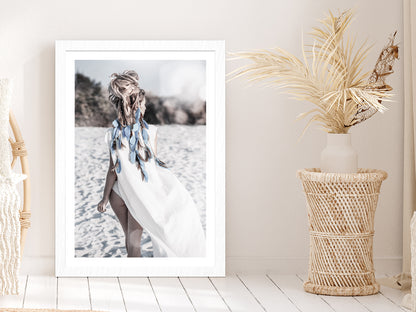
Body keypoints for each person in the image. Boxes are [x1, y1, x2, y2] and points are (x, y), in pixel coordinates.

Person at [97, 70, 205, 257]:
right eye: (144, 103)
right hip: (138, 193)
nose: (145, 107)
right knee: (135, 239)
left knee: (131, 242)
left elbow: (112, 170)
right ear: (139, 104)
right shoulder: (151, 132)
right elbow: (151, 167)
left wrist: (105, 198)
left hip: (116, 192)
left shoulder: (112, 134)